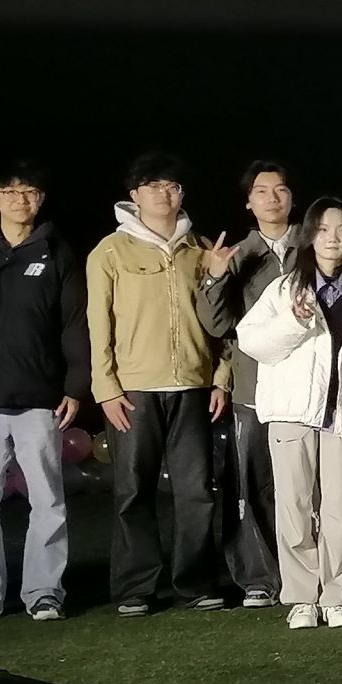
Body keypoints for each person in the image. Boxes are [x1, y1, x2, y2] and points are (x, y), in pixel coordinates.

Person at [238, 197, 342, 630]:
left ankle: (336, 595)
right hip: (292, 413)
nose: (333, 238)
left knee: (339, 508)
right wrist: (293, 321)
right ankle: (301, 597)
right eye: (324, 229)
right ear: (310, 235)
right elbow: (251, 342)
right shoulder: (284, 289)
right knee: (293, 507)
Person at [88, 153, 230, 616]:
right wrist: (106, 388)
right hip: (134, 389)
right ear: (134, 195)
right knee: (133, 490)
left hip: (193, 385)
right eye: (153, 186)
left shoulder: (201, 249)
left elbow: (221, 319)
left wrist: (220, 377)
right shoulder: (110, 251)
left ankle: (196, 583)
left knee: (196, 491)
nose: (163, 194)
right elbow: (98, 325)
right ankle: (135, 587)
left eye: (172, 186)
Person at [0, 162, 89, 624]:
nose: (20, 200)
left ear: (41, 198)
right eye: (10, 192)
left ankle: (45, 591)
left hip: (39, 399)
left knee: (47, 500)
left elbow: (74, 324)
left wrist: (75, 386)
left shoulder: (59, 255)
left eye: (29, 191)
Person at [195, 160, 298, 609]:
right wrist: (215, 277)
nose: (272, 198)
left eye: (280, 189)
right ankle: (259, 577)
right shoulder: (236, 255)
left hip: (312, 390)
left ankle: (308, 571)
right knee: (252, 485)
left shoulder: (316, 246)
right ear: (248, 202)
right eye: (261, 191)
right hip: (254, 389)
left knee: (309, 485)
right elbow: (217, 325)